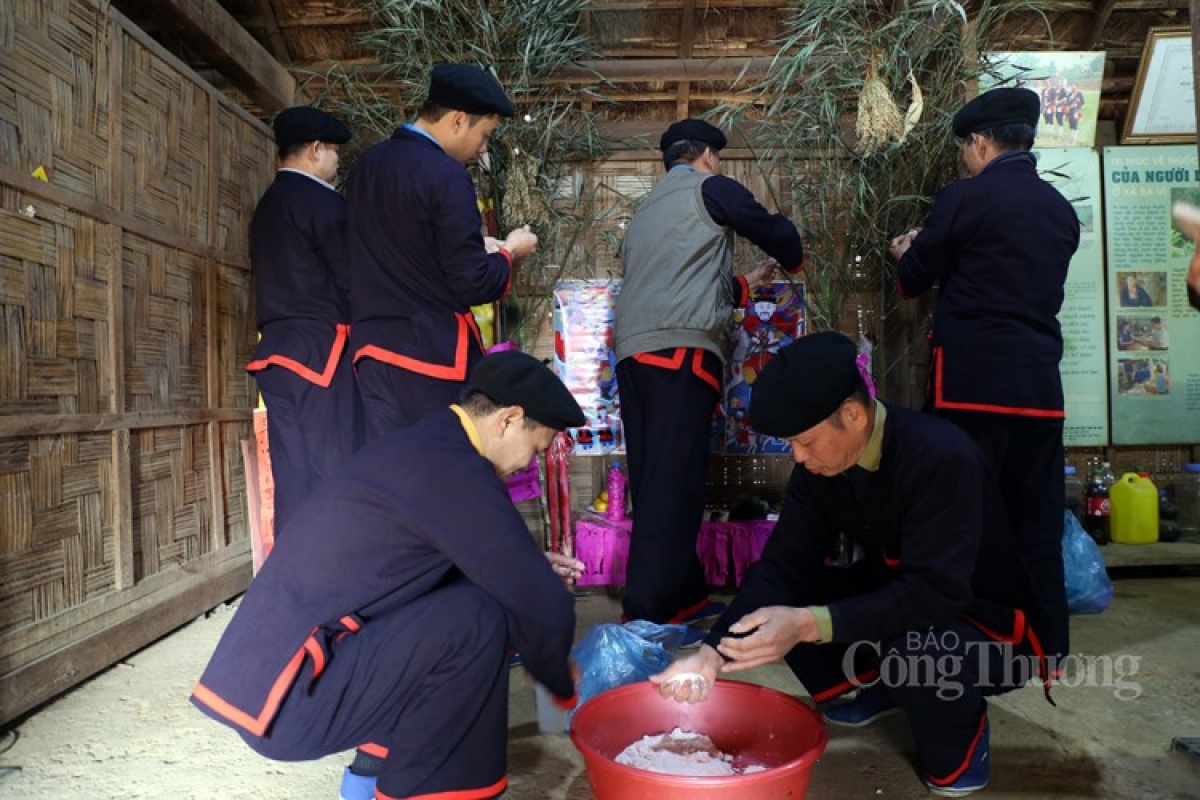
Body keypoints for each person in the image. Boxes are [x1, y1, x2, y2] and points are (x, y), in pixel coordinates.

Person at [651, 332, 1050, 798]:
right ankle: (886, 686)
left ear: (854, 415)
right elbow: (782, 566)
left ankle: (963, 739)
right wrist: (711, 653)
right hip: (903, 596)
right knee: (781, 598)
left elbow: (936, 593)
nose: (798, 457)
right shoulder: (821, 469)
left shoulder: (942, 457)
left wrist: (805, 625)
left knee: (913, 652)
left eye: (805, 441)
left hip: (984, 622)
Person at [191, 350, 587, 800]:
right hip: (292, 694)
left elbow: (469, 557)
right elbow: (540, 601)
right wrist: (558, 676)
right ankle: (424, 790)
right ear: (509, 420)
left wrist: (523, 567)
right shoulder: (456, 469)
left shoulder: (428, 445)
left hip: (269, 680)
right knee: (479, 620)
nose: (527, 465)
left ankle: (367, 777)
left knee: (467, 600)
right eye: (536, 447)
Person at [888, 87, 1078, 670]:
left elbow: (916, 278)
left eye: (965, 150)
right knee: (1037, 520)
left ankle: (971, 635)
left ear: (979, 143)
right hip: (1039, 389)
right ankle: (1047, 645)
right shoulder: (1060, 210)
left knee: (961, 517)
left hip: (971, 385)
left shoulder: (963, 198)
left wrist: (905, 250)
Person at [614, 118, 805, 628]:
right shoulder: (710, 186)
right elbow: (769, 228)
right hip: (679, 353)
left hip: (636, 355)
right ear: (704, 156)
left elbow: (678, 279)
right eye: (715, 157)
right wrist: (792, 252)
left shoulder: (648, 209)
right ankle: (647, 613)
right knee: (672, 486)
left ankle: (683, 596)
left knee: (661, 478)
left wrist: (743, 284)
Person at [346, 63, 539, 439]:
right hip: (428, 358)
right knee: (438, 470)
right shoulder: (446, 175)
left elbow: (399, 247)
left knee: (393, 469)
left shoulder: (366, 167)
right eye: (484, 135)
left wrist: (471, 246)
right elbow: (473, 283)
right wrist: (510, 252)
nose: (482, 148)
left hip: (372, 354)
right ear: (457, 120)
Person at [245, 106, 362, 533]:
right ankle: (341, 585)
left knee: (293, 477)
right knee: (337, 471)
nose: (336, 164)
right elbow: (355, 280)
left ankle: (298, 582)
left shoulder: (267, 205)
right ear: (315, 149)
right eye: (335, 153)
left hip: (277, 357)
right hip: (323, 358)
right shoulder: (322, 203)